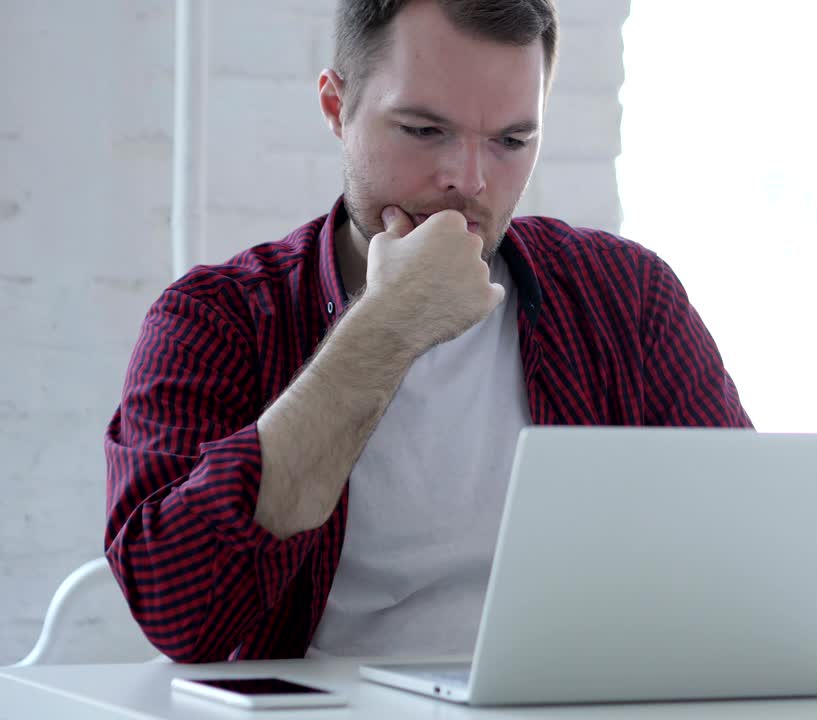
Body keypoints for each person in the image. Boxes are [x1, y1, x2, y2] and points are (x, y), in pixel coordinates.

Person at [104, 0, 750, 663]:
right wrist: (387, 327)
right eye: (422, 130)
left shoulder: (625, 296)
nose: (468, 181)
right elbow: (178, 612)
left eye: (511, 141)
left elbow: (754, 552)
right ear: (336, 107)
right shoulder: (216, 319)